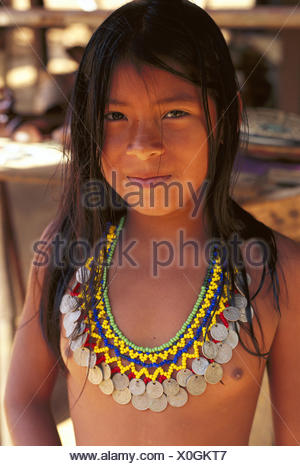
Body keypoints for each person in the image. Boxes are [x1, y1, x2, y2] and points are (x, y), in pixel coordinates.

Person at [4, 0, 300, 446]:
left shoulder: (279, 271)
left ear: (227, 117)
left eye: (174, 113)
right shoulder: (66, 248)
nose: (144, 146)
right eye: (115, 116)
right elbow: (24, 399)